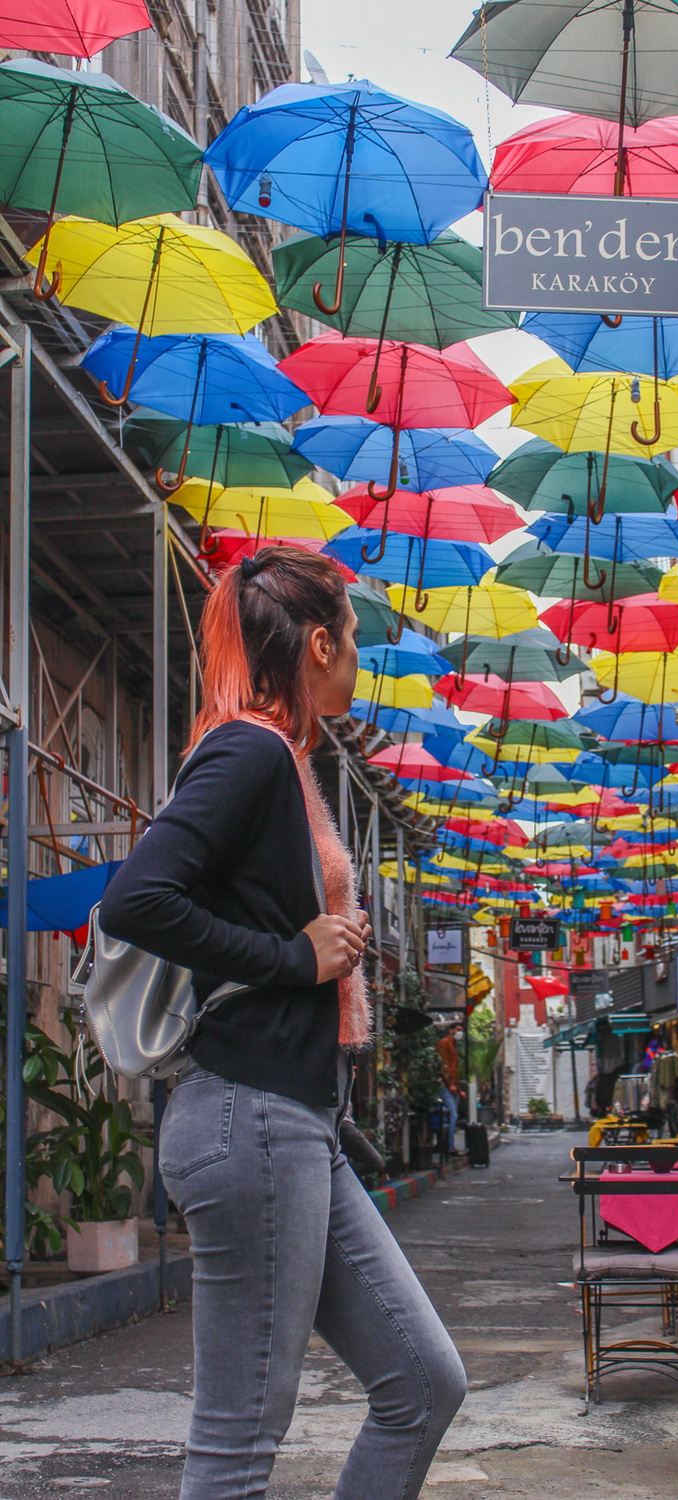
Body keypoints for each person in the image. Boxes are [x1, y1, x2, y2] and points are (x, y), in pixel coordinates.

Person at [100, 548, 466, 1500]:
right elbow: (137, 899)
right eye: (354, 638)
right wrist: (293, 958)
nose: (359, 657)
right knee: (237, 1446)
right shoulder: (250, 750)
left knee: (424, 1383)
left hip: (294, 1124)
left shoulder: (284, 760)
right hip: (250, 1120)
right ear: (318, 645)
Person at [437, 1020, 462, 1154]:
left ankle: (450, 1144)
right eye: (458, 1030)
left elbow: (453, 1068)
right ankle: (450, 1146)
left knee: (453, 1115)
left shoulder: (453, 1045)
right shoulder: (444, 1044)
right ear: (451, 1031)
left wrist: (457, 1087)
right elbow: (444, 1065)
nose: (460, 1033)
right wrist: (450, 1084)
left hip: (452, 1086)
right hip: (446, 1085)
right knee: (453, 1114)